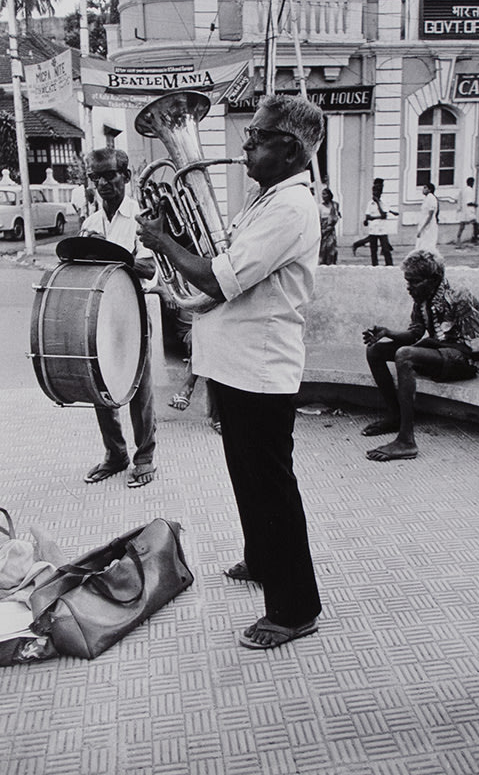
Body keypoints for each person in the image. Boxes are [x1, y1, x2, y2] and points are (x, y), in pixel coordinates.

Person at [137, 93, 323, 649]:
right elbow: (215, 261)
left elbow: (219, 279)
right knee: (249, 477)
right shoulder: (265, 199)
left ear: (288, 148)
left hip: (260, 368)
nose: (245, 143)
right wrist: (171, 239)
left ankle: (294, 610)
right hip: (237, 364)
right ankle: (263, 559)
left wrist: (162, 239)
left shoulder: (291, 208)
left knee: (272, 488)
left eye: (256, 136)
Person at [361, 249, 479, 462]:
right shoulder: (422, 297)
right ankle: (395, 415)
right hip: (442, 354)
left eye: (414, 282)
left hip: (466, 361)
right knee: (375, 351)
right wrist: (387, 333)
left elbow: (477, 349)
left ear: (434, 279)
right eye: (407, 281)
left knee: (405, 356)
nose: (409, 287)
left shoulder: (459, 296)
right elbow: (415, 334)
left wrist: (431, 344)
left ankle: (406, 441)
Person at [81, 148, 157, 488]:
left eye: (109, 175)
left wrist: (108, 253)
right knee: (100, 384)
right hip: (98, 315)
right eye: (96, 177)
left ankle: (145, 457)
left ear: (125, 177)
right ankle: (115, 454)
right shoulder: (91, 222)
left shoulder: (142, 217)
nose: (102, 183)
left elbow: (149, 267)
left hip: (133, 314)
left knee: (139, 388)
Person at [352, 178, 397, 265]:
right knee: (373, 249)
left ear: (380, 192)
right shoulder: (370, 203)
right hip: (373, 229)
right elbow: (368, 216)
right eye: (374, 192)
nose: (374, 194)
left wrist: (377, 206)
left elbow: (383, 215)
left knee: (385, 248)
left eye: (377, 191)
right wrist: (369, 219)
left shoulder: (384, 202)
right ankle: (375, 265)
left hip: (382, 229)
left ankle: (389, 264)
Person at [318, 187, 340, 265]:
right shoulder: (320, 206)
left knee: (331, 246)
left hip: (331, 230)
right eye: (322, 194)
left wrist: (331, 225)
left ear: (329, 195)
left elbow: (337, 215)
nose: (323, 196)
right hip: (323, 230)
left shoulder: (335, 205)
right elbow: (319, 219)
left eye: (325, 194)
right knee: (323, 247)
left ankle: (331, 262)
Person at [455, 177, 479, 247]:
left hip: (463, 211)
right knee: (476, 224)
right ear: (472, 183)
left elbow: (458, 199)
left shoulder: (463, 190)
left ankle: (458, 240)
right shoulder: (470, 190)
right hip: (469, 211)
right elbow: (469, 202)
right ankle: (475, 239)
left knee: (462, 226)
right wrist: (475, 204)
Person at [416, 182, 439, 252]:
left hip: (428, 225)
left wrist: (422, 228)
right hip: (424, 223)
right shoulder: (427, 198)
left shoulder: (431, 198)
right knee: (422, 244)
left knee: (427, 245)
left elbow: (430, 215)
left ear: (430, 189)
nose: (423, 189)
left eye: (425, 188)